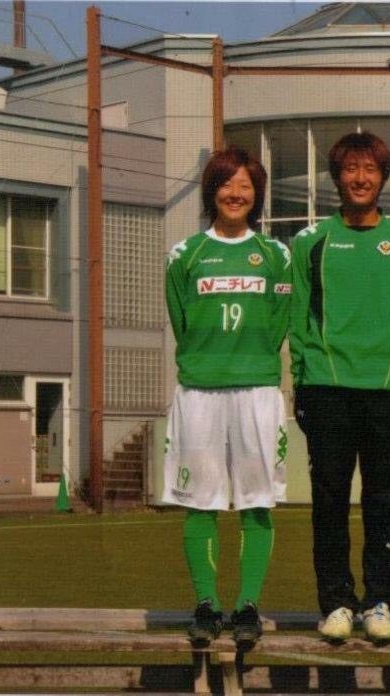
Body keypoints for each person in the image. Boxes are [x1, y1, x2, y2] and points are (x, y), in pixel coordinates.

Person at [289, 131, 390, 644]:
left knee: (384, 500)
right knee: (329, 501)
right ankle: (336, 604)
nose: (360, 178)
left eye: (370, 169)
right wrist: (301, 383)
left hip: (388, 390)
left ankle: (379, 603)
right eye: (351, 169)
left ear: (383, 177)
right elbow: (299, 320)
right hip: (326, 389)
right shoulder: (310, 242)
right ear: (336, 177)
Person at [163, 146, 292, 647]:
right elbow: (182, 321)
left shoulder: (276, 256)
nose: (235, 193)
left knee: (257, 503)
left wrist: (250, 359)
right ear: (211, 191)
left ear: (257, 195)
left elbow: (278, 324)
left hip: (257, 390)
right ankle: (206, 604)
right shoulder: (186, 255)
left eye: (245, 185)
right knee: (200, 502)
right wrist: (209, 360)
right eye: (226, 183)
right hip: (199, 390)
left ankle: (248, 606)